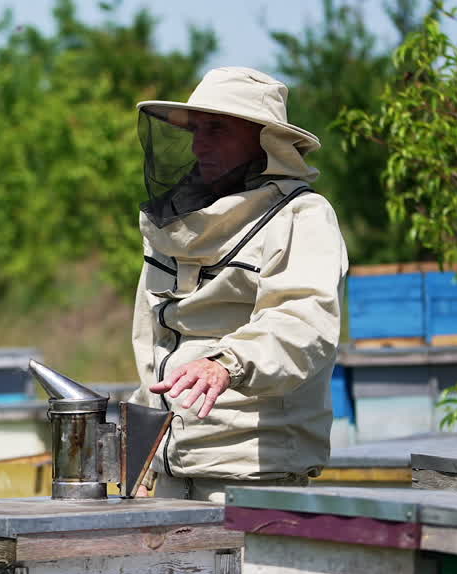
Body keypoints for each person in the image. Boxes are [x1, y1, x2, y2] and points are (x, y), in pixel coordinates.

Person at [128, 66, 349, 503]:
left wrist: (225, 363)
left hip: (253, 475)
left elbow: (302, 324)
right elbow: (151, 339)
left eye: (216, 129)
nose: (198, 144)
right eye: (194, 130)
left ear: (264, 138)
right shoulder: (174, 226)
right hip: (169, 467)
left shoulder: (300, 217)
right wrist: (135, 441)